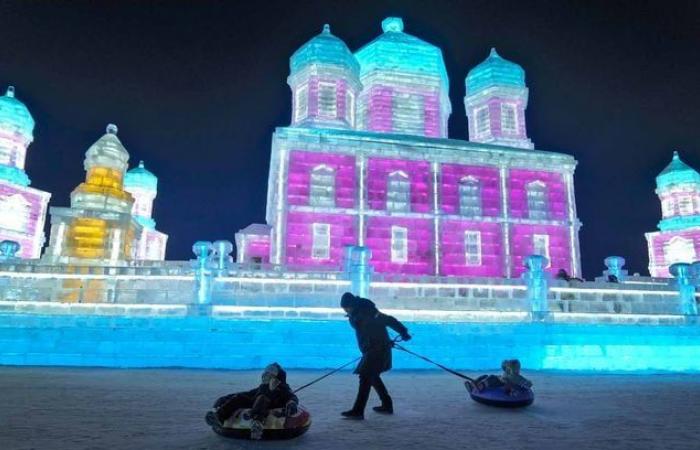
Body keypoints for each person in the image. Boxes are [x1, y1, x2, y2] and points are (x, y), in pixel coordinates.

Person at [340, 292, 411, 420]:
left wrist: (403, 332)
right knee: (372, 376)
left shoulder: (369, 312)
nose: (345, 310)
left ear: (352, 305)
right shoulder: (355, 314)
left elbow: (389, 320)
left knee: (366, 376)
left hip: (378, 349)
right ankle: (387, 404)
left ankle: (358, 410)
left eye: (346, 307)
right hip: (370, 349)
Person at [205, 363, 298, 440]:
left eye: (269, 375)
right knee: (239, 398)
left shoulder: (283, 390)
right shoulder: (262, 388)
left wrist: (291, 404)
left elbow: (291, 397)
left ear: (278, 379)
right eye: (266, 374)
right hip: (255, 403)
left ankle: (257, 422)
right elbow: (247, 394)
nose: (266, 377)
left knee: (262, 398)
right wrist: (223, 399)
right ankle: (219, 416)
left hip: (270, 406)